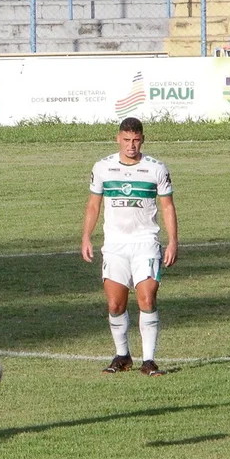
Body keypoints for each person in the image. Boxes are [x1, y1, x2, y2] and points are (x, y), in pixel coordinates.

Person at [81, 117, 179, 377]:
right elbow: (93, 205)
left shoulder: (156, 168)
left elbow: (168, 206)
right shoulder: (102, 167)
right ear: (118, 138)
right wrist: (86, 237)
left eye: (136, 140)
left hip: (146, 243)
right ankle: (122, 356)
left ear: (143, 139)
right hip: (114, 245)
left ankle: (149, 360)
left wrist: (173, 241)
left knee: (147, 299)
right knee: (115, 305)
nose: (131, 145)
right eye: (126, 140)